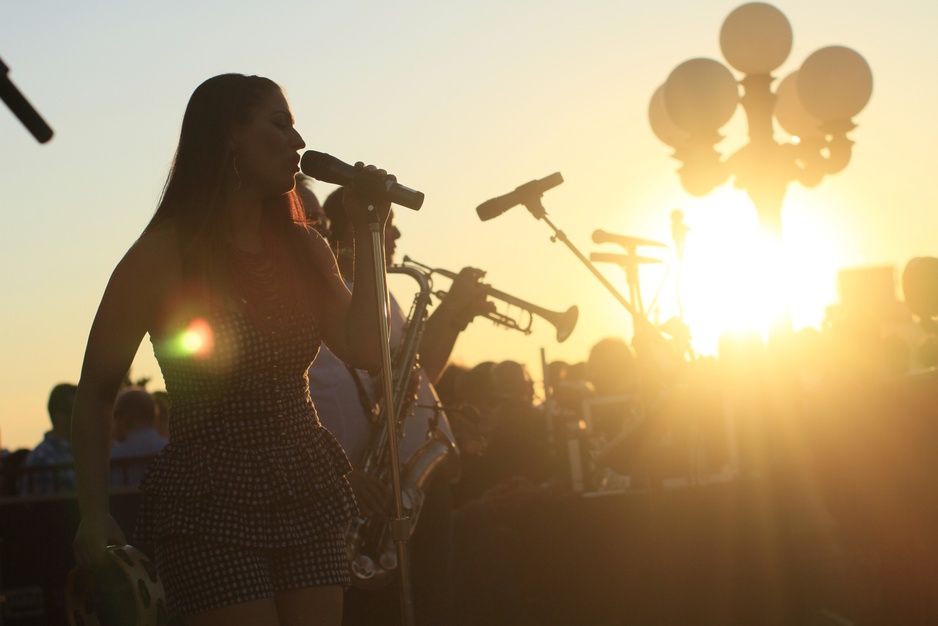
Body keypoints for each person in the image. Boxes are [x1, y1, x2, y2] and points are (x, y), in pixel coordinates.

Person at [71, 73, 394, 625]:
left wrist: (369, 230)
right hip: (209, 498)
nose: (298, 142)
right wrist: (93, 513)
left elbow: (364, 345)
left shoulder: (305, 248)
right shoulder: (162, 255)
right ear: (228, 135)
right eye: (280, 124)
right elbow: (97, 391)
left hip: (305, 482)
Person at [306, 187, 494, 625]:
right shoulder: (333, 302)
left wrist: (453, 317)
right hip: (368, 494)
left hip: (412, 483)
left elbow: (418, 370)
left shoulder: (381, 297)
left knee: (433, 605)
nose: (395, 235)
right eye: (384, 226)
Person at [17, 382, 78, 495]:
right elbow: (44, 510)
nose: (82, 418)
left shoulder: (83, 452)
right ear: (59, 415)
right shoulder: (42, 459)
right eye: (76, 412)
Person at [109, 386, 167, 488]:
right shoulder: (170, 451)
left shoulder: (113, 458)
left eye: (115, 415)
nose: (112, 422)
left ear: (126, 420)